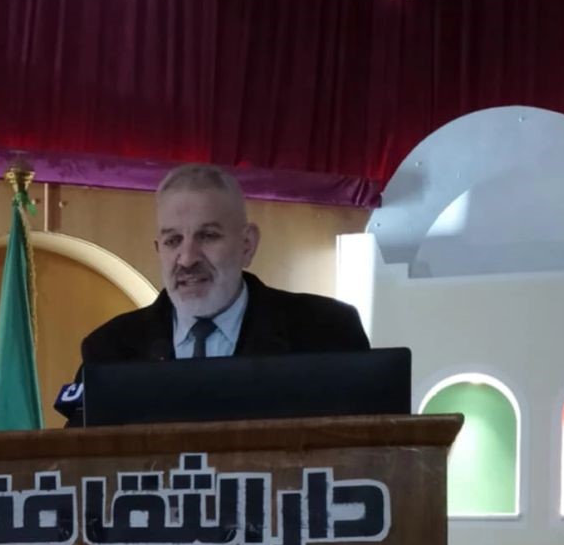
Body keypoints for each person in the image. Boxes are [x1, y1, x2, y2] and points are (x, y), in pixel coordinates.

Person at [55, 164, 368, 419]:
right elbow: (79, 462)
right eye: (173, 241)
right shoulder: (110, 350)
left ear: (247, 245)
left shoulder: (326, 332)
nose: (187, 259)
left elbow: (371, 450)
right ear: (159, 249)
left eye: (207, 236)